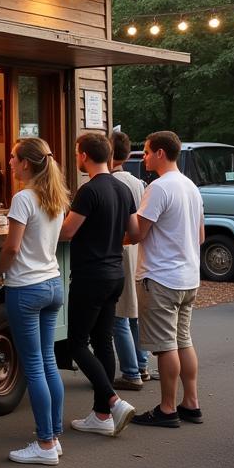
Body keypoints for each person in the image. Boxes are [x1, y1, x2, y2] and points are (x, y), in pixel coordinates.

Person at [0, 137, 70, 465]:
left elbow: (11, 247)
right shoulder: (57, 196)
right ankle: (55, 436)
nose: (9, 162)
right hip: (52, 283)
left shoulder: (23, 199)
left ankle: (45, 443)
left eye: (13, 158)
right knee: (47, 361)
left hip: (27, 288)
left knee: (34, 364)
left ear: (26, 164)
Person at [59, 132, 140, 437]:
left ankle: (113, 401)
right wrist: (110, 240)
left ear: (84, 155)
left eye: (77, 152)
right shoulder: (122, 189)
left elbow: (68, 232)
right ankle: (102, 415)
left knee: (77, 344)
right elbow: (135, 232)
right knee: (103, 341)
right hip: (115, 272)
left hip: (89, 275)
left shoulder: (88, 191)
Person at [130, 130, 205, 428]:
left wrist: (126, 217)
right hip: (188, 276)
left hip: (161, 277)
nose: (144, 157)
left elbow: (139, 232)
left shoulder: (159, 188)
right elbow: (200, 236)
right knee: (183, 340)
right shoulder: (190, 187)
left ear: (161, 153)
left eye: (147, 152)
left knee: (165, 346)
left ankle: (167, 408)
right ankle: (191, 402)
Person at [110, 131, 150, 388]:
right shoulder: (138, 182)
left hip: (121, 249)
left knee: (120, 314)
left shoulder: (112, 183)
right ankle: (142, 363)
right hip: (138, 249)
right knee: (134, 311)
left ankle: (131, 371)